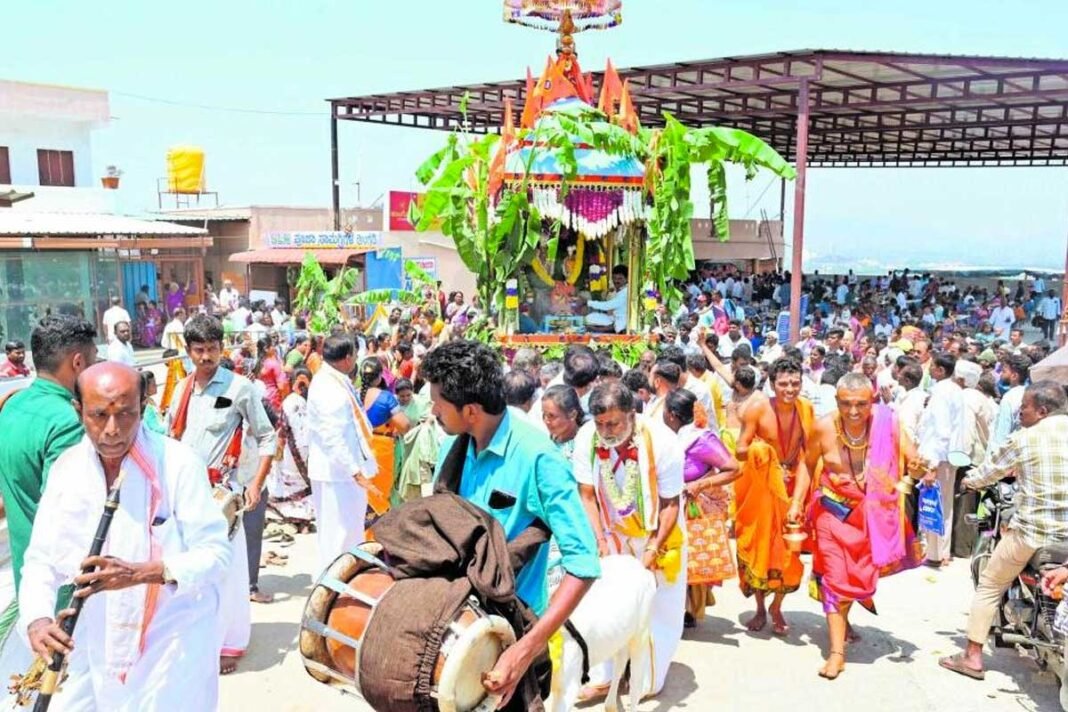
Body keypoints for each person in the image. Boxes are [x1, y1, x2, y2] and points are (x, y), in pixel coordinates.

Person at [18, 363, 231, 711]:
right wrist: (38, 619)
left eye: (126, 414)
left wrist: (139, 574)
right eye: (99, 415)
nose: (112, 430)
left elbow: (217, 555)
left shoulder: (178, 464)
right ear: (79, 412)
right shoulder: (67, 469)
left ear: (143, 409)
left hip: (174, 636)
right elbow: (41, 558)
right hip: (99, 632)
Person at [419, 341, 600, 709]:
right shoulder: (452, 449)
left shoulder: (539, 458)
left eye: (438, 400)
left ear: (470, 410)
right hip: (452, 629)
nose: (432, 408)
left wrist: (523, 651)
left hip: (506, 638)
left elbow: (584, 564)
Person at [164, 314, 276, 674]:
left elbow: (267, 437)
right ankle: (198, 637)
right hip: (185, 491)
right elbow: (169, 440)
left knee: (228, 572)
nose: (206, 357)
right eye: (199, 350)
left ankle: (232, 642)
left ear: (221, 348)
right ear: (189, 350)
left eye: (212, 349)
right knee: (188, 567)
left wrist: (256, 483)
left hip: (222, 495)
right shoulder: (180, 390)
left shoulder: (240, 387)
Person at [940, 381, 1068, 681]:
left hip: (1033, 533)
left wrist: (968, 482)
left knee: (990, 585)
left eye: (1024, 407)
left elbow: (990, 472)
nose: (1019, 412)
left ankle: (971, 657)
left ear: (1042, 410)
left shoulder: (1025, 438)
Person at [805, 373, 922, 680]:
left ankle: (844, 622)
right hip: (831, 513)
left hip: (871, 517)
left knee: (856, 577)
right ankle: (836, 654)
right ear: (836, 402)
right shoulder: (822, 428)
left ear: (872, 401)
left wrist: (921, 469)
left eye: (861, 404)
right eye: (846, 404)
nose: (854, 412)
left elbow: (913, 460)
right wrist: (794, 506)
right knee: (833, 577)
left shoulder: (889, 425)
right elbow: (807, 467)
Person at [572, 381, 684, 698]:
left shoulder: (662, 441)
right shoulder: (586, 437)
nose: (606, 431)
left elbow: (671, 503)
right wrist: (600, 540)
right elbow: (587, 494)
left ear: (632, 415)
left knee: (659, 603)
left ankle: (645, 678)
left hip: (657, 531)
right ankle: (603, 675)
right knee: (606, 600)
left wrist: (652, 548)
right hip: (611, 531)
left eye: (614, 423)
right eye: (600, 423)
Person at [0, 315, 97, 676]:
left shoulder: (12, 405)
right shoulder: (67, 421)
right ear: (78, 362)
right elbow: (69, 509)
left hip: (30, 576)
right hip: (63, 591)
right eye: (94, 359)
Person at [734, 357, 813, 636]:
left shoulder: (806, 410)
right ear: (771, 384)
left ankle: (777, 607)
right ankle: (759, 607)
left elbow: (808, 458)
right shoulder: (756, 409)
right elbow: (740, 449)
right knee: (760, 549)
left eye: (795, 383)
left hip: (791, 488)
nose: (789, 389)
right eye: (783, 384)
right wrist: (765, 454)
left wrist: (797, 501)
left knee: (789, 553)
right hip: (762, 490)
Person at [661, 389, 740, 628]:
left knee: (690, 557)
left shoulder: (701, 439)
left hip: (692, 508)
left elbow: (734, 468)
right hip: (667, 505)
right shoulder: (666, 437)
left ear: (673, 415)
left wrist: (699, 484)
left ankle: (687, 610)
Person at [306, 335, 377, 570]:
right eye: (355, 356)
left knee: (347, 535)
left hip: (341, 473)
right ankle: (334, 593)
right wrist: (355, 471)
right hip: (338, 475)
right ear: (347, 359)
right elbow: (332, 437)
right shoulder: (328, 386)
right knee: (340, 539)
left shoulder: (333, 379)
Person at [917, 352, 965, 567]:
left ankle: (934, 554)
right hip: (946, 457)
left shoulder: (943, 393)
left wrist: (932, 466)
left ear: (940, 370)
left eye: (932, 366)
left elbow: (942, 431)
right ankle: (940, 552)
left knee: (933, 504)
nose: (928, 369)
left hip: (938, 458)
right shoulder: (953, 390)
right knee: (944, 505)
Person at [358, 357, 411, 518]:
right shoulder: (386, 397)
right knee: (379, 494)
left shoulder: (353, 395)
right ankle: (374, 536)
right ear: (380, 376)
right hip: (381, 449)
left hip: (358, 447)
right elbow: (404, 425)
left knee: (362, 493)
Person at [269, 367, 314, 530]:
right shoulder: (306, 402)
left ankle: (294, 518)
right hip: (304, 449)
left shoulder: (290, 401)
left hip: (291, 450)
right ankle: (304, 520)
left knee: (292, 481)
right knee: (299, 482)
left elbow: (281, 428)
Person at [986, 352, 1030, 457]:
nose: (1001, 374)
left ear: (1014, 376)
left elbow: (1001, 435)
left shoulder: (1009, 398)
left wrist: (994, 457)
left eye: (1004, 371)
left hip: (1002, 457)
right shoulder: (1027, 393)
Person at [540, 384, 584, 460]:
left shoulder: (585, 443)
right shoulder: (544, 442)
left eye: (551, 416)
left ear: (572, 415)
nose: (546, 421)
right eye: (544, 414)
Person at [584, 265, 630, 333]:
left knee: (589, 319)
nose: (616, 281)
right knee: (590, 317)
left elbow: (607, 306)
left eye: (620, 278)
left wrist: (587, 302)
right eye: (614, 278)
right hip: (614, 318)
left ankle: (599, 330)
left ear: (626, 279)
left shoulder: (625, 292)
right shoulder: (620, 290)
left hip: (620, 324)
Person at [251, 336, 287, 415]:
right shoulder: (274, 364)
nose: (274, 348)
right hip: (273, 401)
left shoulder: (258, 364)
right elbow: (281, 386)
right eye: (272, 346)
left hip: (261, 398)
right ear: (266, 349)